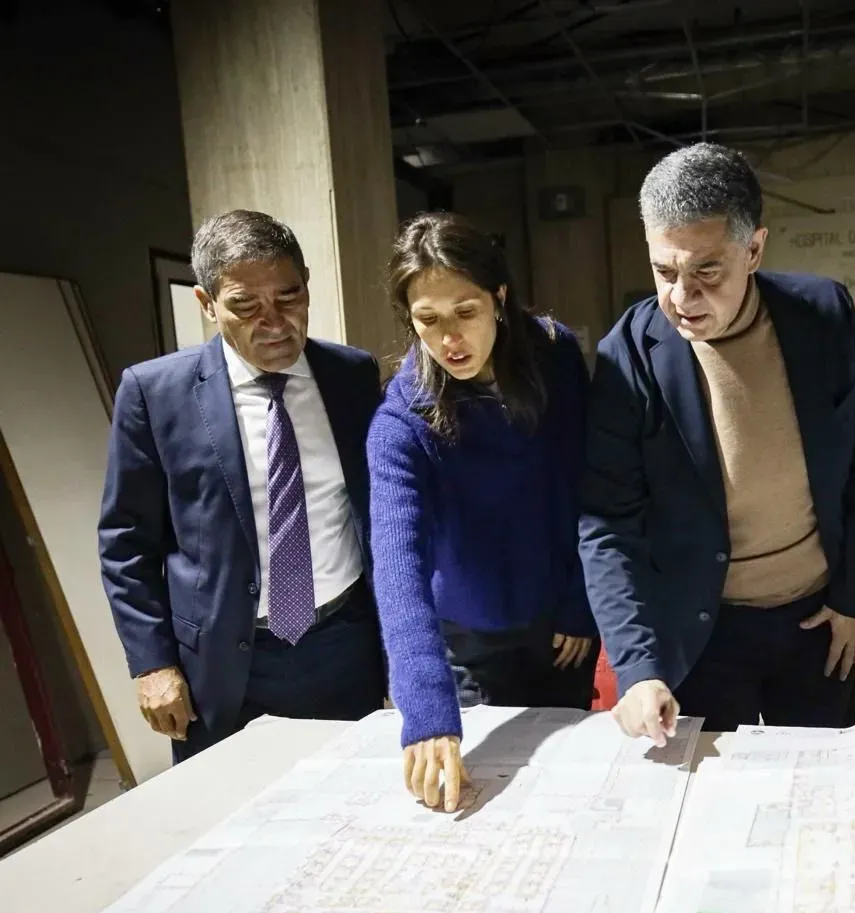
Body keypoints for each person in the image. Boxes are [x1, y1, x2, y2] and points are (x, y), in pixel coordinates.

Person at [579, 142, 855, 744]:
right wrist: (639, 666)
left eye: (706, 271)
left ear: (753, 250)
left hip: (816, 621)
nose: (681, 298)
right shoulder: (628, 357)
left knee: (819, 783)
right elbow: (608, 523)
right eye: (664, 272)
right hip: (700, 632)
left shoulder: (824, 316)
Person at [99, 210, 386, 761]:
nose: (274, 322)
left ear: (306, 284)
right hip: (221, 663)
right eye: (245, 305)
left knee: (346, 795)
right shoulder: (155, 393)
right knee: (231, 802)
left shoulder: (352, 375)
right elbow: (126, 543)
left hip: (344, 645)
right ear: (207, 304)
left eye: (288, 296)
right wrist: (153, 663)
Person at [369, 212, 599, 810]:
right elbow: (398, 567)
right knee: (477, 794)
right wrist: (426, 712)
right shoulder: (402, 422)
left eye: (465, 312)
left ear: (498, 298)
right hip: (468, 636)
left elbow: (585, 481)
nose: (451, 339)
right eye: (429, 320)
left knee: (565, 787)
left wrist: (580, 602)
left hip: (560, 624)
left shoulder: (553, 355)